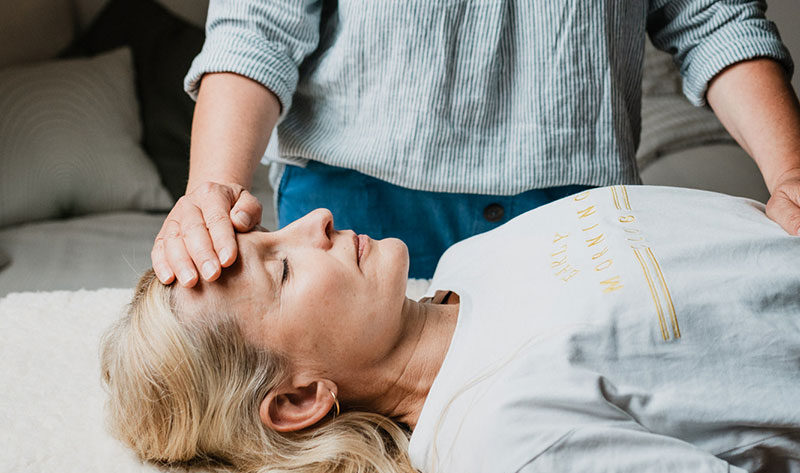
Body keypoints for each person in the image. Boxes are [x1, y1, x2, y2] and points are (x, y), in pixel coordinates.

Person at [104, 184, 800, 473]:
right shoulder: (510, 445)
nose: (314, 218)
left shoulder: (468, 262)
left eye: (271, 233)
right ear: (298, 401)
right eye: (282, 267)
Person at [150, 0, 800, 285]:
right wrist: (213, 193)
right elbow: (255, 29)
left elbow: (714, 16)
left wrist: (791, 173)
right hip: (351, 211)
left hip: (572, 216)